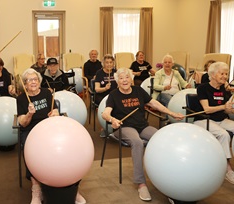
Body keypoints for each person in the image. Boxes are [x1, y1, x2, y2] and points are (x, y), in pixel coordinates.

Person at [101, 67, 184, 202]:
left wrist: (172, 113)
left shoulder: (139, 91)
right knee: (137, 142)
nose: (124, 80)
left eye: (127, 77)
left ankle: (167, 176)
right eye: (121, 78)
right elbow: (105, 113)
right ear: (117, 81)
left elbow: (154, 103)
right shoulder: (114, 95)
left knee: (161, 138)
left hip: (142, 126)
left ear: (131, 79)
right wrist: (112, 120)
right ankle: (141, 183)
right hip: (125, 127)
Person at [17, 68, 86, 204]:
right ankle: (36, 191)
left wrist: (55, 113)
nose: (33, 82)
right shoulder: (21, 99)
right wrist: (29, 114)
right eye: (29, 80)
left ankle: (73, 189)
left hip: (50, 129)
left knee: (69, 148)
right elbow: (22, 123)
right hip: (31, 131)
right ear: (24, 84)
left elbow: (55, 110)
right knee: (29, 148)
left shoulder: (47, 94)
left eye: (35, 79)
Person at [194, 62, 234, 185]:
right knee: (224, 134)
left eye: (226, 74)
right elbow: (206, 109)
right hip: (203, 120)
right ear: (212, 74)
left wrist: (230, 108)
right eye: (222, 73)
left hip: (221, 120)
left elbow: (226, 110)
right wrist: (223, 106)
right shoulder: (202, 88)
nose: (225, 76)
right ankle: (228, 169)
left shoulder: (224, 90)